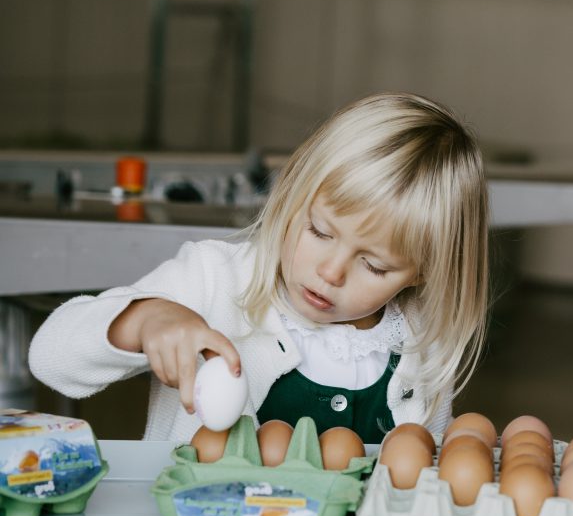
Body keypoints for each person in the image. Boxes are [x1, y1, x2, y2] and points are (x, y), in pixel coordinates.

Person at [29, 92, 490, 444]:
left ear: (423, 271)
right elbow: (51, 358)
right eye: (320, 232)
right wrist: (145, 319)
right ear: (292, 194)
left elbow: (419, 466)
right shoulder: (216, 280)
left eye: (374, 265)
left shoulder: (417, 339)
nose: (331, 272)